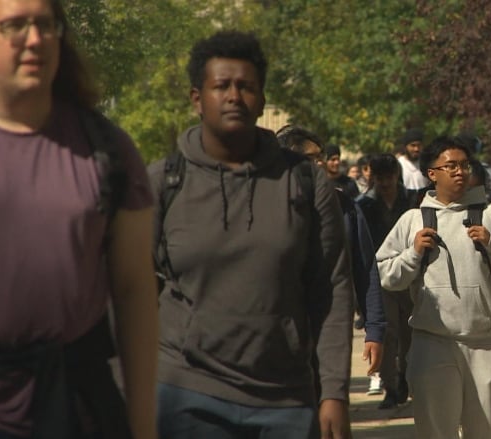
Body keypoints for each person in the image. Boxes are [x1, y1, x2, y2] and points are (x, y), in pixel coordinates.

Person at [149, 31, 352, 439]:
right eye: (221, 86)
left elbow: (331, 288)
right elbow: (127, 293)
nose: (234, 96)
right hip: (185, 395)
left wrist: (334, 392)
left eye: (246, 87)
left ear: (261, 99)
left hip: (286, 400)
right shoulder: (162, 182)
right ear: (196, 98)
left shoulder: (306, 182)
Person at [0, 1, 158, 438]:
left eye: (45, 25)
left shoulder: (106, 149)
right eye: (14, 26)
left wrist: (143, 425)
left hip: (77, 404)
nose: (34, 39)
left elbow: (134, 289)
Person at [376, 136, 491, 438]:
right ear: (432, 174)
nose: (459, 172)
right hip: (431, 343)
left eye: (464, 165)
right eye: (450, 166)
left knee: (487, 430)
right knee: (436, 430)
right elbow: (387, 276)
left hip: (485, 344)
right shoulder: (413, 220)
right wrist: (413, 254)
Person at [276, 124, 386, 393]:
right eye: (312, 159)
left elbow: (365, 267)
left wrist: (375, 329)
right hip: (276, 331)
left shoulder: (345, 207)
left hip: (330, 328)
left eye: (321, 157)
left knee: (327, 401)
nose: (322, 164)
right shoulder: (264, 206)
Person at [356, 153, 414, 409]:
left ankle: (408, 382)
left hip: (411, 276)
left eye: (389, 177)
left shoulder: (412, 202)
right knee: (388, 335)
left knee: (411, 333)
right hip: (380, 279)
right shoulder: (365, 206)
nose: (386, 183)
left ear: (397, 176)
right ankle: (391, 386)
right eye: (380, 178)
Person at [396, 128, 430, 207]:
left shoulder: (426, 164)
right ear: (405, 147)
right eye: (413, 145)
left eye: (419, 145)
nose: (416, 149)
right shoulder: (399, 164)